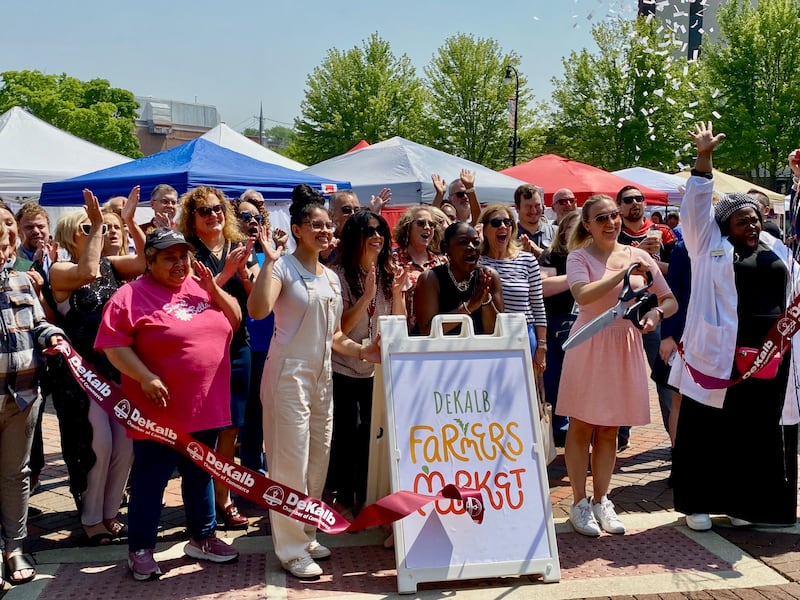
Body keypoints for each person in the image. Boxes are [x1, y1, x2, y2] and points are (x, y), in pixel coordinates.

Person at [669, 122, 800, 531]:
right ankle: (697, 504)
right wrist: (704, 158)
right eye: (743, 221)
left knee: (754, 431)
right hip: (720, 354)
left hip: (769, 355)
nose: (753, 226)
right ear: (725, 225)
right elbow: (696, 208)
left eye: (756, 219)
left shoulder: (775, 247)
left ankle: (746, 503)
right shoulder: (707, 245)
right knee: (706, 429)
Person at [247, 186, 380, 580]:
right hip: (287, 375)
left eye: (328, 226)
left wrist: (364, 352)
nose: (325, 231)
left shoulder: (331, 278)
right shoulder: (283, 268)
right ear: (298, 230)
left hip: (322, 376)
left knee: (317, 460)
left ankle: (307, 533)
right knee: (289, 462)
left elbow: (335, 336)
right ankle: (289, 549)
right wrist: (269, 263)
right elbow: (258, 311)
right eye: (316, 225)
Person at [96, 227, 241, 580]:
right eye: (169, 257)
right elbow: (113, 345)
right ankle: (140, 549)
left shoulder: (200, 285)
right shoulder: (130, 295)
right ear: (150, 261)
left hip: (204, 406)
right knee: (152, 479)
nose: (179, 263)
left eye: (183, 256)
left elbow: (235, 321)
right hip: (157, 413)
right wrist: (144, 376)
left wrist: (214, 289)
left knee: (200, 475)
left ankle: (203, 537)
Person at [558, 194, 676, 537]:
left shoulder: (639, 255)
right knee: (581, 425)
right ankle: (579, 503)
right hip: (589, 341)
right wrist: (622, 273)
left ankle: (601, 499)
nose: (611, 222)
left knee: (610, 427)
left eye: (614, 215)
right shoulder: (579, 256)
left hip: (625, 342)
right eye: (601, 218)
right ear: (587, 225)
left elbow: (670, 299)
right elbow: (583, 294)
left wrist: (656, 314)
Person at [49, 188, 146, 544]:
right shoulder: (61, 270)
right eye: (88, 228)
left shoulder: (112, 265)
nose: (100, 232)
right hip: (82, 375)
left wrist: (130, 223)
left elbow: (143, 262)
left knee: (124, 446)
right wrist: (97, 224)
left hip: (114, 370)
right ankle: (91, 518)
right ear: (69, 236)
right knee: (98, 445)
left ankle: (109, 514)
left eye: (102, 228)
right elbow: (87, 271)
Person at [177, 186, 255, 529]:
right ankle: (202, 500)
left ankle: (224, 497)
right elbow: (192, 301)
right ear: (192, 219)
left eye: (218, 209)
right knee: (204, 429)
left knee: (232, 428)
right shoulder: (187, 252)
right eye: (205, 211)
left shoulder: (239, 247)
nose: (213, 215)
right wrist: (226, 272)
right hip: (202, 350)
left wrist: (245, 271)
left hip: (238, 347)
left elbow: (255, 300)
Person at [328, 209, 407, 517]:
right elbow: (341, 329)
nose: (377, 236)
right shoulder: (338, 276)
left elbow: (399, 322)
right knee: (347, 433)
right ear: (355, 237)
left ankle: (365, 496)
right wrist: (366, 297)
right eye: (370, 231)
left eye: (381, 231)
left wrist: (397, 294)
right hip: (345, 366)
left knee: (370, 436)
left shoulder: (388, 271)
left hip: (377, 369)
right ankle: (344, 498)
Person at [0, 220, 64, 586]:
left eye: (4, 245)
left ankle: (14, 546)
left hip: (23, 394)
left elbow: (37, 322)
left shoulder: (21, 281)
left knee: (16, 474)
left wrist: (52, 334)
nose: (2, 253)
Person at [616, 185, 679, 451]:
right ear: (619, 205)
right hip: (620, 316)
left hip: (656, 313)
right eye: (629, 199)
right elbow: (607, 268)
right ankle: (619, 434)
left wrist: (651, 263)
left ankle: (675, 441)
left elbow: (677, 270)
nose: (635, 203)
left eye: (639, 199)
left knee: (665, 378)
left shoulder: (663, 232)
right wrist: (635, 254)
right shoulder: (614, 232)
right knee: (619, 377)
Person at [233, 192, 286, 475]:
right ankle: (251, 476)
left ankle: (267, 471)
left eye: (256, 217)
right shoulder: (230, 255)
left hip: (273, 342)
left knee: (270, 412)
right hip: (246, 344)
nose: (252, 221)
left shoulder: (271, 255)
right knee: (251, 416)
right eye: (245, 216)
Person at [477, 204, 547, 369]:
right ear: (484, 229)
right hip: (489, 335)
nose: (503, 226)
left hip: (524, 334)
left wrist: (542, 345)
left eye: (507, 222)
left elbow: (538, 305)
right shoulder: (477, 261)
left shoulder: (527, 260)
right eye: (496, 223)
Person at [414, 222, 504, 336]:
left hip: (479, 346)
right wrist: (469, 307)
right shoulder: (430, 279)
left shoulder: (489, 277)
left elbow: (496, 332)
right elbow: (426, 332)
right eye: (463, 242)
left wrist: (485, 300)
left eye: (476, 243)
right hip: (440, 347)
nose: (471, 247)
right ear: (446, 248)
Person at [539, 209, 582, 445]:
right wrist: (577, 277)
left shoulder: (597, 255)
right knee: (555, 379)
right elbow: (544, 286)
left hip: (590, 324)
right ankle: (560, 428)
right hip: (558, 323)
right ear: (563, 232)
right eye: (574, 227)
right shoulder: (552, 256)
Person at [392, 206, 448, 332]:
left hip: (436, 334)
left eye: (431, 224)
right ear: (407, 228)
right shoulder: (393, 260)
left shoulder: (442, 262)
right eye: (421, 223)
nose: (427, 227)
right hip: (403, 334)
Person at [514, 184, 556, 259]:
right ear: (517, 208)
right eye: (528, 207)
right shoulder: (508, 236)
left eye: (537, 205)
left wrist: (540, 252)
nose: (533, 211)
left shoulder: (556, 233)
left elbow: (566, 260)